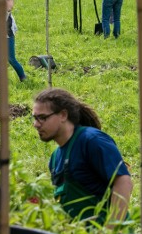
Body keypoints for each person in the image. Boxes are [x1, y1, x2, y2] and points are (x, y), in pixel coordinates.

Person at [32, 88, 133, 222]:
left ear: (63, 115)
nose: (36, 124)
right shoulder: (55, 159)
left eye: (42, 118)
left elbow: (123, 182)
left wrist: (112, 230)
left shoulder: (91, 140)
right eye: (34, 118)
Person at [5, 0, 26, 82]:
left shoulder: (6, 12)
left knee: (11, 59)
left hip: (8, 38)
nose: (12, 3)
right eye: (11, 0)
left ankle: (23, 77)